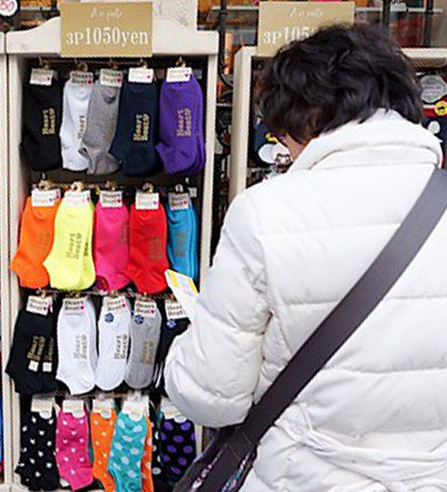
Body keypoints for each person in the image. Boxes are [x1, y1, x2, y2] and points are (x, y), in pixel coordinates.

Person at [165, 25, 447, 491]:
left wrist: (181, 354)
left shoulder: (266, 213)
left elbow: (212, 396)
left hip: (302, 477)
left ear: (304, 118)